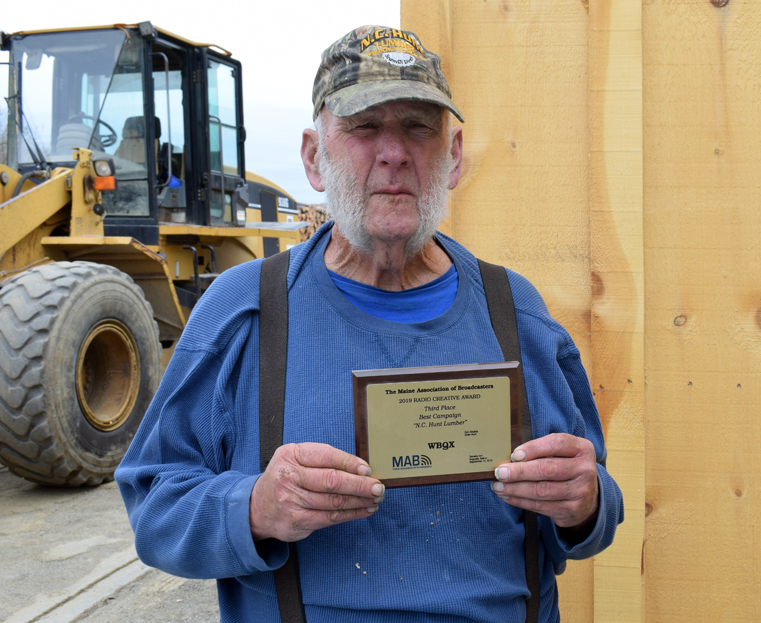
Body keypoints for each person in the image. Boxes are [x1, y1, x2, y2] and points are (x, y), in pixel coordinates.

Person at [117, 25, 623, 623]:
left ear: (453, 156)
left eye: (418, 127)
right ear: (314, 156)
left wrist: (584, 501)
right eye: (363, 127)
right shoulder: (244, 309)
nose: (394, 152)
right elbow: (154, 509)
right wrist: (253, 506)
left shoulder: (516, 312)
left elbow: (597, 512)